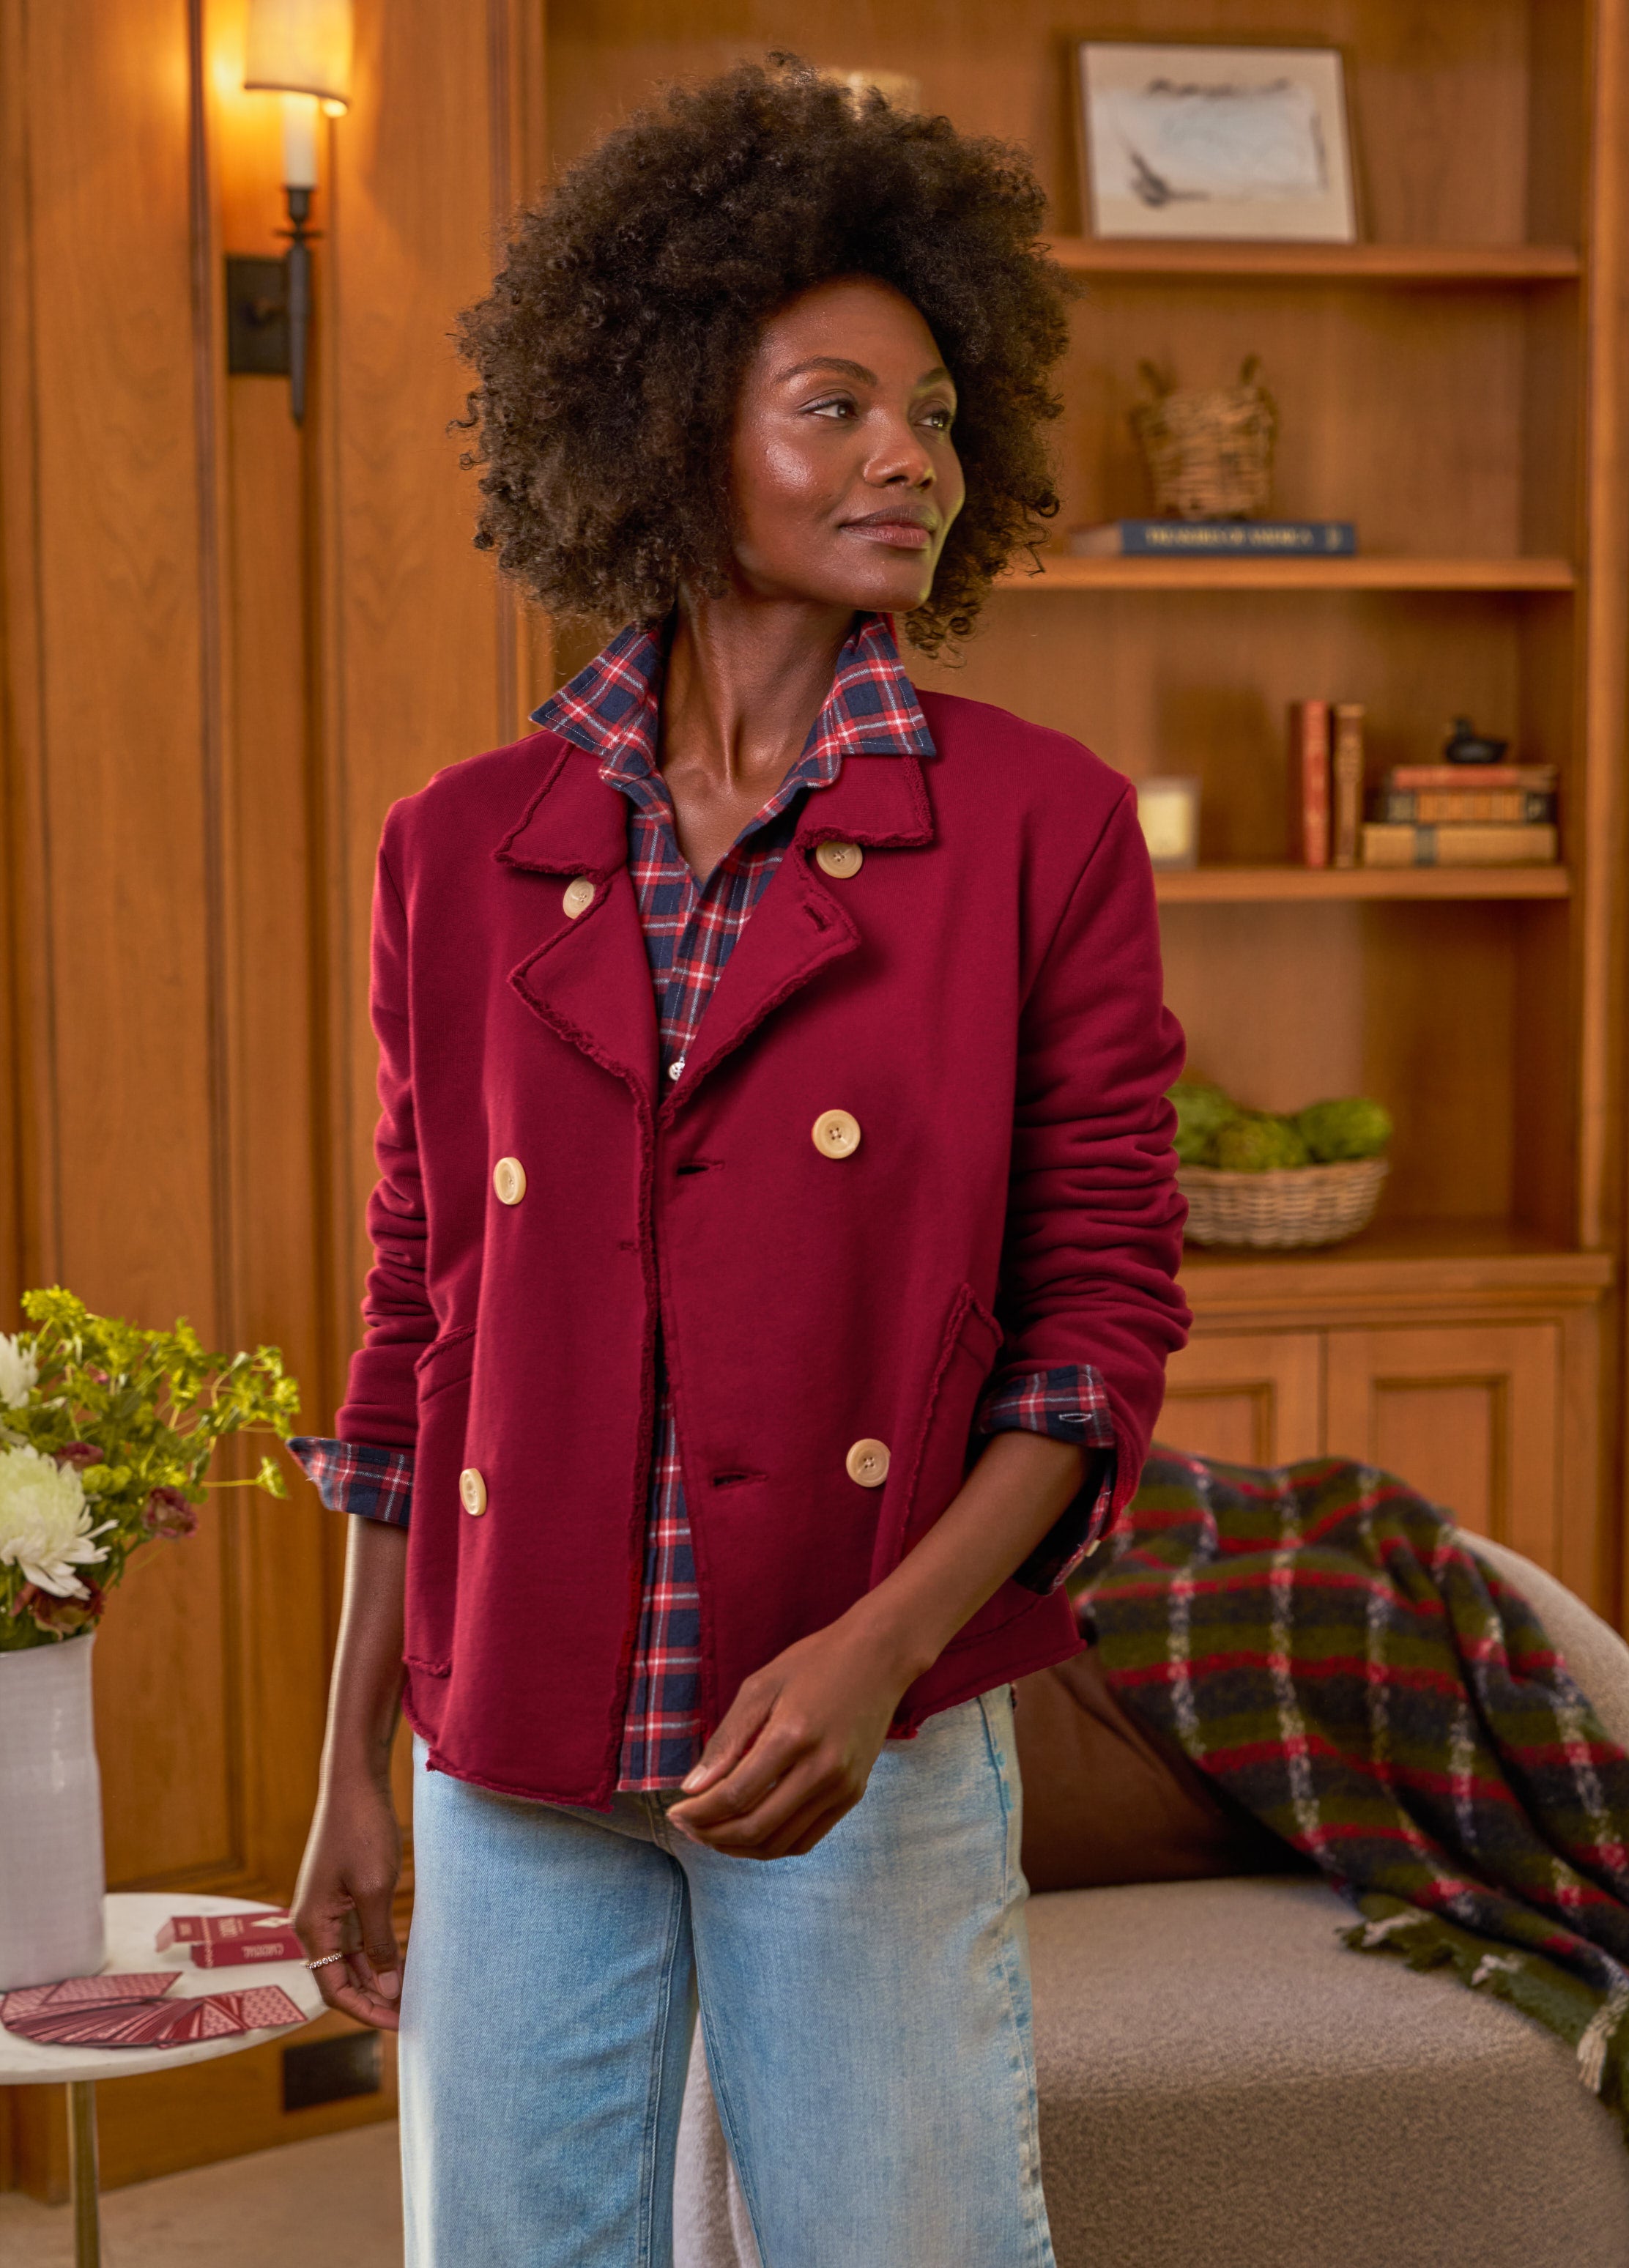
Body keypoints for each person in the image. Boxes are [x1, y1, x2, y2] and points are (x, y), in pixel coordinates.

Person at [289, 58, 1190, 2268]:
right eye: (832, 406)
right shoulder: (455, 851)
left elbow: (1095, 1327)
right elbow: (421, 1309)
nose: (909, 455)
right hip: (514, 1744)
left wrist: (880, 1655)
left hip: (853, 1742)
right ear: (673, 428)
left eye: (937, 413)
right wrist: (351, 1763)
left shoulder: (1036, 828)